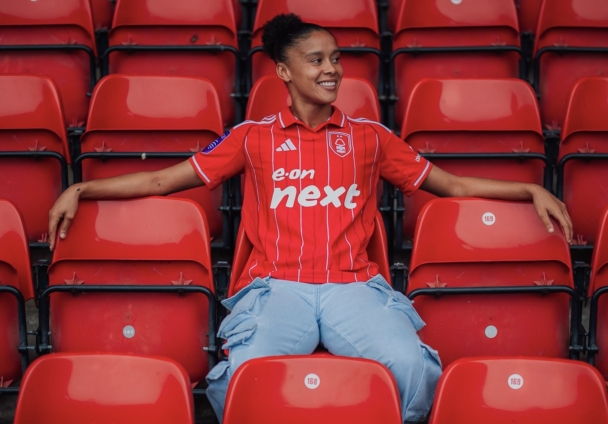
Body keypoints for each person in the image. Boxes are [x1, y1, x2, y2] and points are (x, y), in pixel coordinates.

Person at [48, 14, 573, 423]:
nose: (331, 70)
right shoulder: (251, 137)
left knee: (413, 369)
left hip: (353, 287)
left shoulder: (371, 137)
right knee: (242, 379)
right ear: (283, 71)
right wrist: (82, 187)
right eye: (316, 60)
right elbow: (164, 180)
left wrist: (528, 189)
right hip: (278, 287)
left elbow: (451, 185)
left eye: (336, 59)